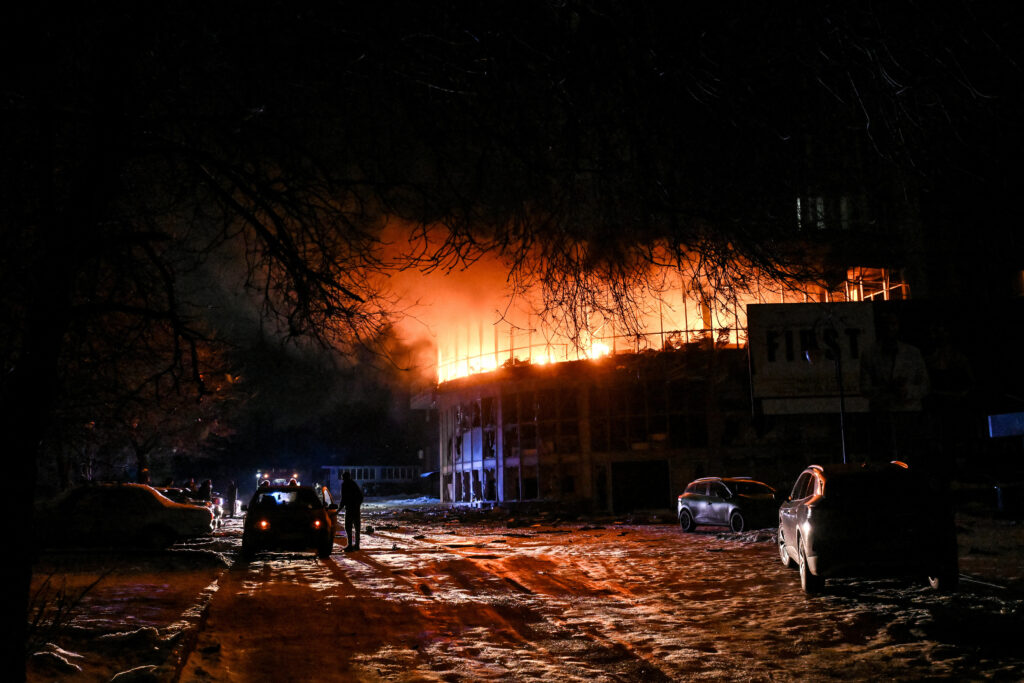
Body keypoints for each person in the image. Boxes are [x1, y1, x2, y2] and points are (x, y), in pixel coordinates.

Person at [340, 471, 364, 552]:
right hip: (356, 509)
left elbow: (344, 498)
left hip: (350, 509)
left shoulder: (345, 485)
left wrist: (339, 509)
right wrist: (357, 505)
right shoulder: (354, 484)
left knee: (348, 527)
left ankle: (350, 545)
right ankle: (357, 545)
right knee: (357, 528)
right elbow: (361, 496)